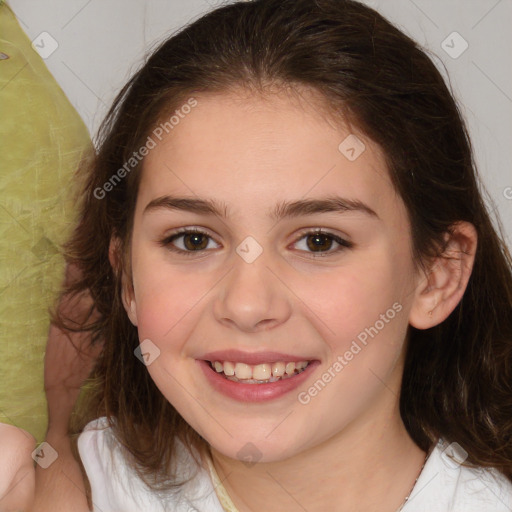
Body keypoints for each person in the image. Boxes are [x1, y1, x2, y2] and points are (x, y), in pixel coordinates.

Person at [33, 0, 512, 511]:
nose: (246, 304)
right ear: (126, 276)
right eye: (193, 240)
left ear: (438, 275)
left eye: (319, 241)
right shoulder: (39, 483)